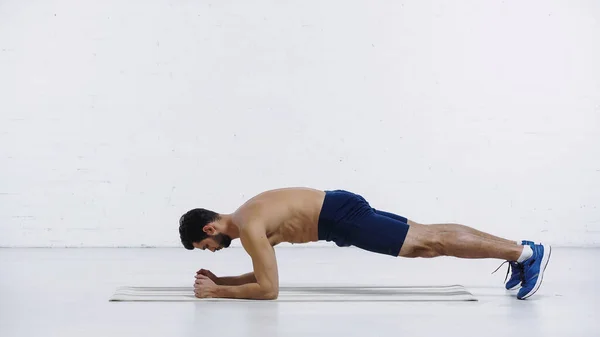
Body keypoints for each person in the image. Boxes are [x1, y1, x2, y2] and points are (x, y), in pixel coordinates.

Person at [178, 187, 551, 300]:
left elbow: (270, 289)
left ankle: (527, 253)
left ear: (209, 230)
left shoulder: (250, 226)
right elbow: (263, 274)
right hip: (340, 207)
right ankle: (522, 251)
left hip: (339, 218)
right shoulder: (248, 219)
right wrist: (222, 281)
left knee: (430, 242)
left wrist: (215, 293)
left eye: (204, 246)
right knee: (428, 234)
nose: (211, 252)